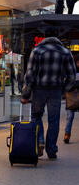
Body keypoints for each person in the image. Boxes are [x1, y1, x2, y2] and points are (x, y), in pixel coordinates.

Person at [21, 28, 76, 159]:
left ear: (44, 37)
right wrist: (63, 90)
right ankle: (51, 150)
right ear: (57, 37)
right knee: (54, 121)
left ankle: (40, 141)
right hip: (56, 90)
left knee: (36, 116)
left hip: (39, 90)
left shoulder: (37, 51)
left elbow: (29, 75)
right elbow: (72, 76)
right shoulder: (65, 52)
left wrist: (25, 94)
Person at [64, 54, 79, 144]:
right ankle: (67, 134)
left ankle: (67, 134)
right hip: (71, 97)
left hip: (73, 96)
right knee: (70, 116)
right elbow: (66, 84)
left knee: (70, 116)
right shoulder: (70, 71)